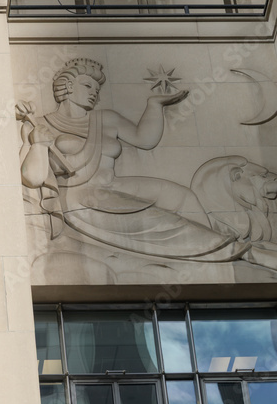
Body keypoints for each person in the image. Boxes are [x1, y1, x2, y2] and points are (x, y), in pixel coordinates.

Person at [18, 58, 247, 262]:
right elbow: (32, 177)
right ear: (68, 87)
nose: (94, 93)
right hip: (82, 197)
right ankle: (222, 248)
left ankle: (217, 243)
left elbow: (145, 140)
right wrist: (38, 143)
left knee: (181, 195)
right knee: (163, 221)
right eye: (87, 85)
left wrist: (154, 105)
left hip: (113, 184)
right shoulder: (40, 125)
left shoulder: (106, 118)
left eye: (97, 90)